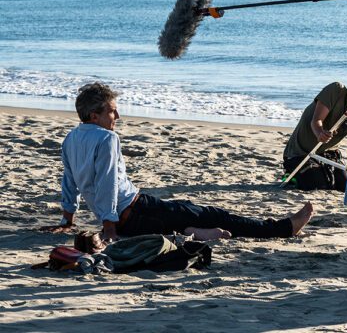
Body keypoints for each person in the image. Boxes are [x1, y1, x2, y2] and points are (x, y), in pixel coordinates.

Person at [53, 82, 314, 242]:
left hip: (129, 220)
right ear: (93, 115)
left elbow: (70, 182)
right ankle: (284, 228)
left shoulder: (70, 139)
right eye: (112, 110)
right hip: (134, 211)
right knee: (216, 214)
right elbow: (109, 181)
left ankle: (198, 232)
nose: (118, 116)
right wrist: (109, 226)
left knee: (185, 212)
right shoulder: (107, 138)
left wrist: (68, 219)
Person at [282, 80, 347, 191]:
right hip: (300, 153)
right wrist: (320, 133)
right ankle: (291, 175)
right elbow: (316, 121)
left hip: (327, 154)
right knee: (317, 185)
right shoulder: (336, 90)